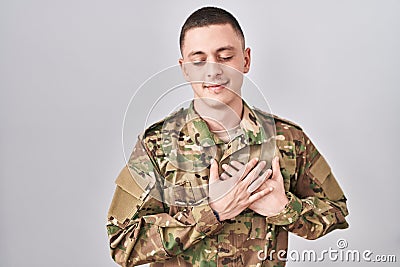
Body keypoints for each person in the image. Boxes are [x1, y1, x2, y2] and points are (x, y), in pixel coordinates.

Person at [106, 6, 349, 267]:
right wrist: (211, 213)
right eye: (199, 61)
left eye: (225, 57)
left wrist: (285, 209)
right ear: (185, 69)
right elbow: (122, 244)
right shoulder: (156, 146)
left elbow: (336, 211)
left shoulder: (288, 139)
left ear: (245, 60)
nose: (213, 71)